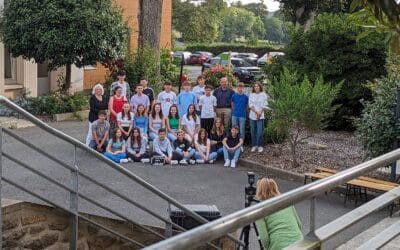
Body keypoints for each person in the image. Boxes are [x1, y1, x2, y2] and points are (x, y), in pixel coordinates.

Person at [255, 178, 303, 250]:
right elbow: (299, 224)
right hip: (299, 242)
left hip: (279, 245)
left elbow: (264, 239)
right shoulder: (286, 201)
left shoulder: (260, 209)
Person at [249, 82, 269, 153]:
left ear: (260, 87)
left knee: (260, 132)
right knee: (253, 132)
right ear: (253, 88)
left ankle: (260, 145)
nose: (256, 87)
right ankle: (254, 145)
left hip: (261, 116)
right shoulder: (251, 95)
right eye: (255, 86)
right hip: (252, 115)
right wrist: (256, 112)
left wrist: (260, 112)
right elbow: (250, 105)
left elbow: (265, 105)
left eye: (257, 86)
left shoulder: (263, 94)